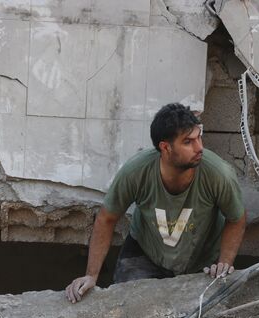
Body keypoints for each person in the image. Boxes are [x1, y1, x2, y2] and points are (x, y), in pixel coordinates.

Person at [66, 103, 247, 303]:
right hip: (146, 252)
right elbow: (107, 218)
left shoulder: (218, 174)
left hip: (201, 258)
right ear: (166, 147)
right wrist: (91, 275)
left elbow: (236, 217)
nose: (199, 147)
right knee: (125, 308)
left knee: (200, 314)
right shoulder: (137, 171)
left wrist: (224, 263)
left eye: (198, 137)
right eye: (188, 142)